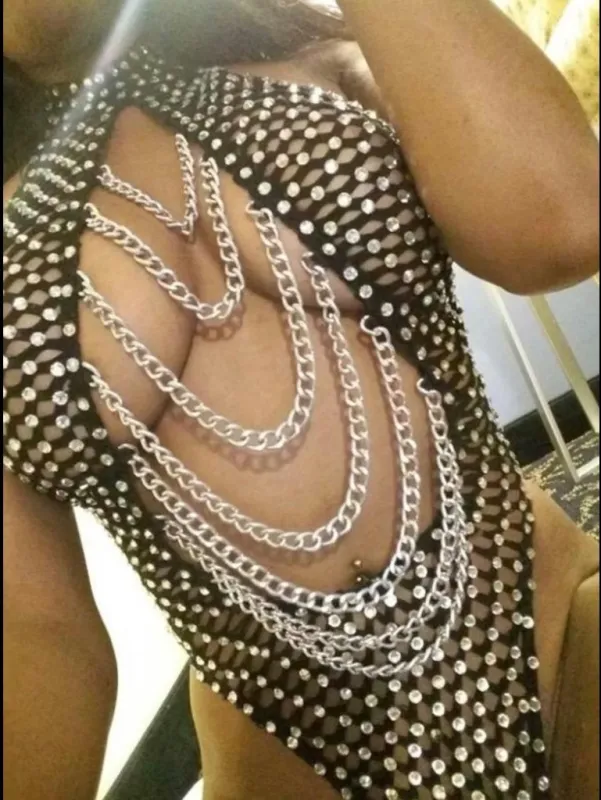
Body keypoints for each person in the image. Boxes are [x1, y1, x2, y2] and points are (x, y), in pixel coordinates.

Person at [3, 1, 599, 799]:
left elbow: (560, 225)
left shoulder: (321, 54)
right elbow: (37, 632)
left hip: (562, 632)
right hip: (293, 758)